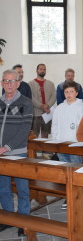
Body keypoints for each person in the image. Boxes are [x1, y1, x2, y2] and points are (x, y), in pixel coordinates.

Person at [0, 69, 33, 235]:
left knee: (22, 189)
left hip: (17, 152)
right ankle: (8, 219)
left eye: (12, 81)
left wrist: (7, 147)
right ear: (1, 83)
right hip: (0, 154)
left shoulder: (26, 102)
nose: (8, 84)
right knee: (3, 188)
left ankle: (23, 221)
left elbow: (24, 129)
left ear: (18, 83)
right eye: (5, 81)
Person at [52, 81, 83, 164]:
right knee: (63, 168)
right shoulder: (59, 108)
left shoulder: (82, 107)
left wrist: (82, 143)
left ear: (76, 93)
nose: (69, 94)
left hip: (75, 144)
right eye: (66, 92)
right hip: (61, 144)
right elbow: (54, 126)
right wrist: (55, 141)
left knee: (75, 167)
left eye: (71, 91)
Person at [29, 64, 56, 138]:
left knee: (45, 134)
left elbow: (54, 97)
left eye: (44, 69)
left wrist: (47, 105)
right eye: (41, 69)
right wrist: (41, 106)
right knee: (34, 135)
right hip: (36, 113)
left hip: (47, 113)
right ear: (37, 70)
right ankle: (35, 150)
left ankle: (45, 149)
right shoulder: (30, 84)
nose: (42, 71)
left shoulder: (50, 84)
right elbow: (31, 97)